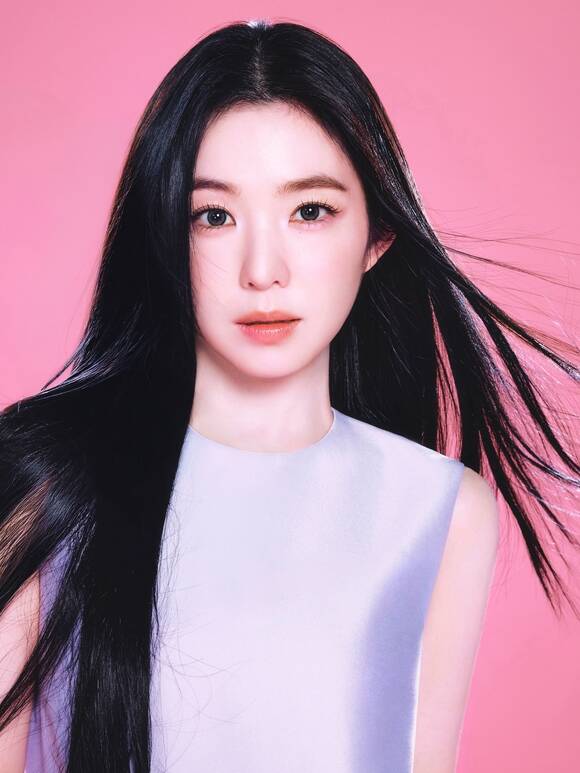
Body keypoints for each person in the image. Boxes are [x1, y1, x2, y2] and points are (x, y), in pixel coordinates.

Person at [0, 18, 578, 773]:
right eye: (214, 216)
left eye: (310, 211)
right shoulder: (44, 486)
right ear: (163, 236)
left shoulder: (442, 512)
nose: (262, 269)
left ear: (377, 236)